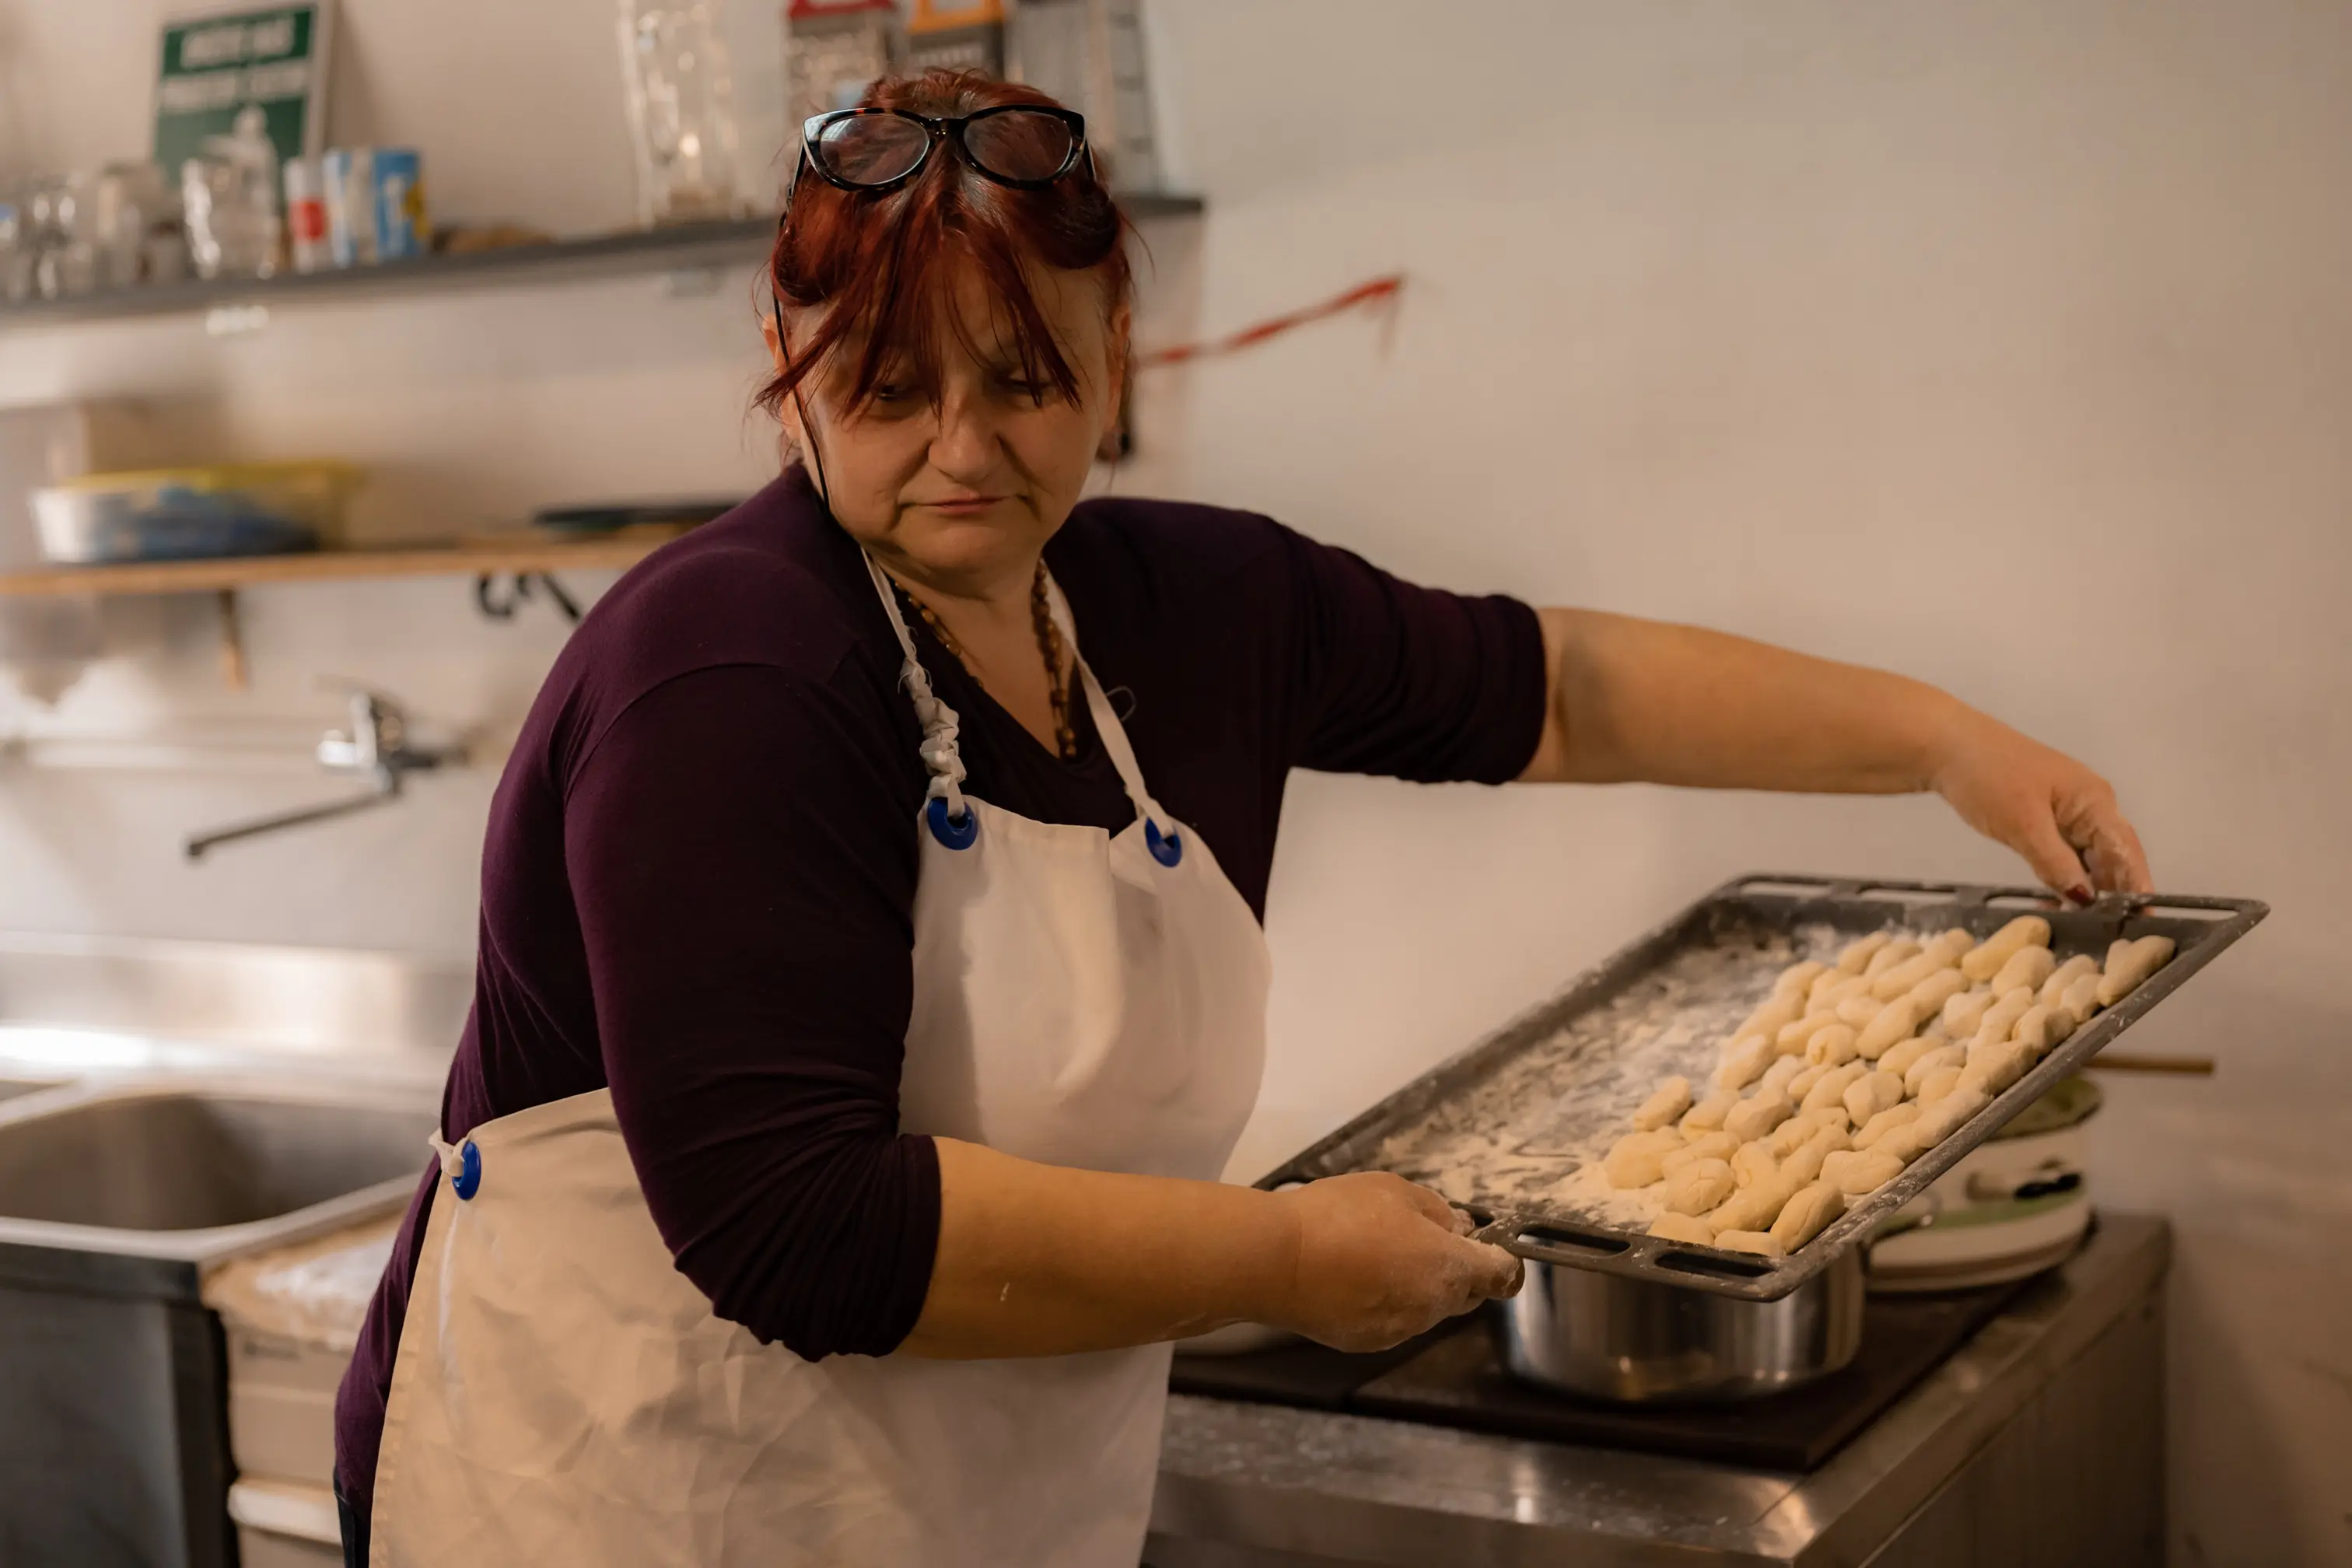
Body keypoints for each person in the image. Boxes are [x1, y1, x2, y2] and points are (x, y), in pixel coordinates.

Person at [334, 68, 2151, 1568]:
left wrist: (1936, 741)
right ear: (782, 351)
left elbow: (1560, 687)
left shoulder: (1178, 609)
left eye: (1026, 377)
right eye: (887, 387)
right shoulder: (730, 668)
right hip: (626, 1505)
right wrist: (1287, 1261)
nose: (964, 445)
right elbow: (795, 1228)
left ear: (1120, 346)